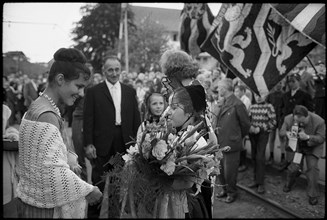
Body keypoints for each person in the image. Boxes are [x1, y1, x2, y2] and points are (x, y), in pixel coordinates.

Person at [16, 48, 102, 218]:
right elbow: (52, 173)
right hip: (44, 211)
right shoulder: (47, 114)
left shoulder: (39, 106)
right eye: (79, 86)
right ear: (60, 79)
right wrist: (89, 190)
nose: (81, 93)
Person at [159, 49, 217, 216]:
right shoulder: (192, 86)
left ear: (175, 72)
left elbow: (192, 121)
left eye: (169, 77)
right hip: (195, 142)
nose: (168, 82)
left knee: (197, 198)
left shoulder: (191, 90)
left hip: (195, 144)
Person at [83, 55, 141, 218]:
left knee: (119, 185)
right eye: (110, 70)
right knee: (98, 184)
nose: (114, 73)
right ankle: (93, 215)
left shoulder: (130, 91)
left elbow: (136, 119)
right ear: (104, 71)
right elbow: (88, 119)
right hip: (101, 143)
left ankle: (114, 215)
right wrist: (89, 144)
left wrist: (136, 144)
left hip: (123, 142)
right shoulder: (93, 91)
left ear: (121, 70)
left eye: (117, 69)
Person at [155, 85, 213, 218]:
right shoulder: (175, 135)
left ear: (189, 112)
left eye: (174, 107)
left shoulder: (197, 142)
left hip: (187, 208)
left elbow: (187, 182)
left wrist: (156, 181)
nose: (167, 112)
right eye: (168, 106)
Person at [279, 105, 325, 205]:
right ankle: (289, 184)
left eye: (302, 121)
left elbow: (321, 138)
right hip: (298, 148)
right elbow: (281, 132)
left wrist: (308, 137)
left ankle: (313, 194)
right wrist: (287, 133)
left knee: (312, 169)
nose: (300, 123)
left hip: (312, 147)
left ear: (307, 116)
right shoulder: (288, 118)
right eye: (297, 121)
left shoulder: (319, 121)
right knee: (294, 167)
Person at [215, 78, 251, 203]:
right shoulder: (223, 102)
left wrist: (237, 137)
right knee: (220, 171)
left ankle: (231, 192)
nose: (218, 90)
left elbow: (246, 125)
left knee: (230, 172)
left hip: (231, 143)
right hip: (221, 142)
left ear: (224, 89)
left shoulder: (237, 104)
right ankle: (225, 190)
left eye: (219, 87)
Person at [279, 73, 314, 170]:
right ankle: (288, 161)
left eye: (293, 81)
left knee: (298, 146)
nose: (291, 84)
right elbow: (281, 109)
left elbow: (309, 110)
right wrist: (281, 121)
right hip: (288, 123)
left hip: (299, 124)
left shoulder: (305, 95)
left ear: (298, 81)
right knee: (289, 144)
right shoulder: (285, 95)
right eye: (289, 82)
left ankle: (298, 165)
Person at [247, 93, 276, 194]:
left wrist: (261, 128)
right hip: (253, 134)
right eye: (256, 95)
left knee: (260, 157)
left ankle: (260, 183)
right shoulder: (252, 107)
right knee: (254, 157)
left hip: (263, 134)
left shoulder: (269, 107)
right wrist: (250, 126)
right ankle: (255, 179)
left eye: (261, 95)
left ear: (266, 95)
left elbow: (273, 122)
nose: (259, 97)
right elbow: (248, 119)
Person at [71, 63, 95, 182]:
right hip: (78, 117)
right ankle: (83, 184)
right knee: (79, 154)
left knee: (92, 154)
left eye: (89, 73)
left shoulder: (95, 87)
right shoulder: (76, 85)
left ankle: (95, 187)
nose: (87, 75)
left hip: (91, 119)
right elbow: (69, 104)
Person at [234, 84, 252, 172]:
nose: (235, 93)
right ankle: (240, 163)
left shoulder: (246, 100)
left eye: (237, 91)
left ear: (242, 91)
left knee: (242, 145)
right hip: (239, 125)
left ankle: (243, 164)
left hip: (242, 125)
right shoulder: (240, 99)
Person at [266, 81, 284, 165]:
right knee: (271, 138)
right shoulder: (270, 95)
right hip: (272, 119)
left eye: (280, 83)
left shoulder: (284, 95)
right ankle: (271, 156)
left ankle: (283, 157)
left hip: (281, 119)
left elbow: (285, 108)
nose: (278, 85)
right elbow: (267, 107)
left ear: (282, 84)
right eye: (277, 83)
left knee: (282, 138)